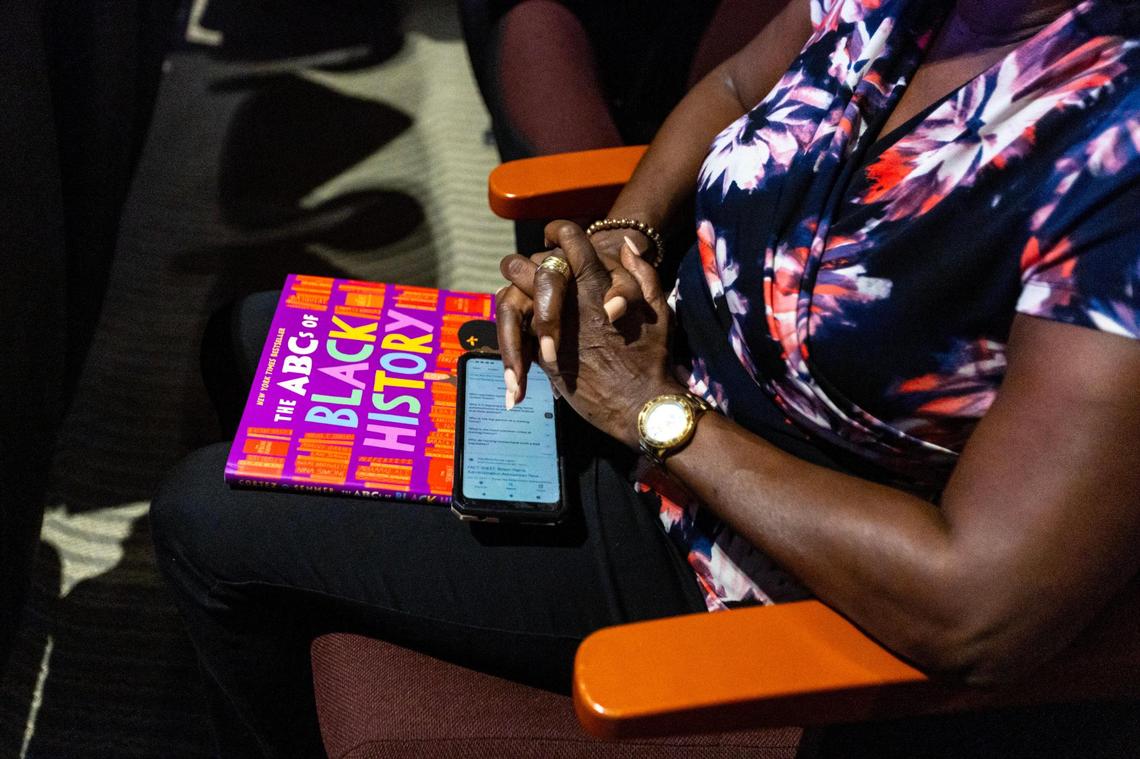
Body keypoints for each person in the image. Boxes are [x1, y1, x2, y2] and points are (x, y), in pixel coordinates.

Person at [151, 0, 1140, 756]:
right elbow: (734, 91)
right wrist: (623, 237)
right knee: (246, 342)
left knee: (205, 520)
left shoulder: (1113, 156)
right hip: (649, 368)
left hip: (741, 541)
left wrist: (649, 412)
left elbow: (979, 607)